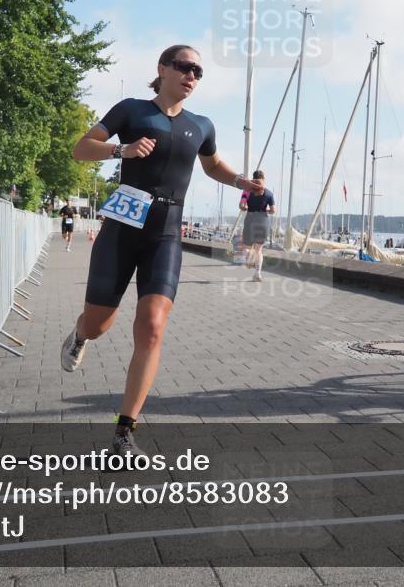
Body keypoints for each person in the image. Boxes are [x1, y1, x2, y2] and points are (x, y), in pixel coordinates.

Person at [61, 44, 264, 456]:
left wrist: (242, 181)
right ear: (162, 69)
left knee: (152, 326)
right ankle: (80, 333)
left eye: (199, 72)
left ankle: (124, 431)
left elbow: (211, 166)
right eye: (185, 67)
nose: (192, 76)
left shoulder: (201, 125)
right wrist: (122, 149)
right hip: (123, 224)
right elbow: (81, 148)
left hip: (166, 232)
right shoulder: (132, 111)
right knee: (100, 325)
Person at [240, 170, 276, 282]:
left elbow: (241, 205)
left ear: (253, 178)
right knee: (259, 250)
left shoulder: (247, 191)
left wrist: (246, 208)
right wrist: (266, 210)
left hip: (250, 219)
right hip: (263, 221)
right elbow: (273, 210)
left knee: (246, 248)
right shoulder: (269, 193)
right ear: (263, 179)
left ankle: (249, 256)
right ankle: (258, 274)